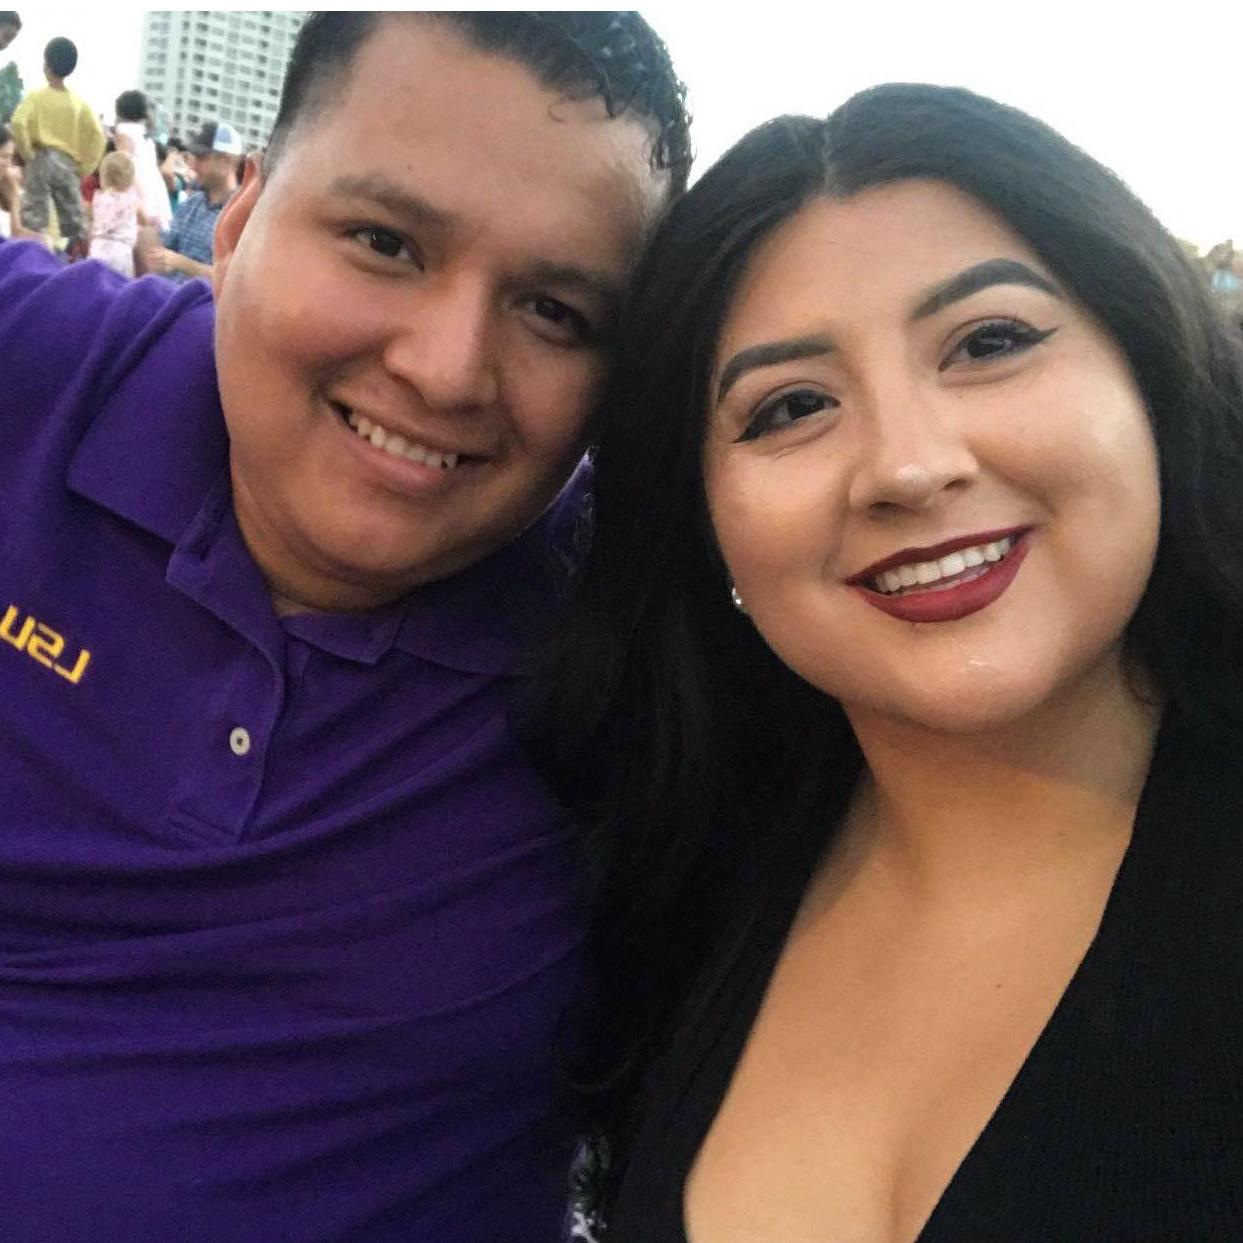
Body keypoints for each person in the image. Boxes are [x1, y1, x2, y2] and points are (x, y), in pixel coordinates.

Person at [0, 11, 688, 1243]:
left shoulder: (647, 658)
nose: (447, 367)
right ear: (244, 212)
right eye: (384, 241)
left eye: (555, 312)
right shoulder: (31, 374)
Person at [536, 84, 1243, 1241]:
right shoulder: (684, 882)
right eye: (790, 406)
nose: (907, 467)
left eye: (988, 342)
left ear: (1148, 371)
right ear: (701, 514)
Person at [9, 36, 104, 251]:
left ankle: (34, 254)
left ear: (45, 65)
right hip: (68, 163)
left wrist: (27, 153)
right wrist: (84, 167)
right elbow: (98, 136)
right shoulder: (79, 103)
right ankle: (74, 255)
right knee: (73, 218)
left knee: (35, 218)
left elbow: (18, 122)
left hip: (40, 157)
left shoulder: (36, 97)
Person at [143, 118, 242, 281]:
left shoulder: (243, 214)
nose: (193, 165)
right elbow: (166, 248)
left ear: (225, 161)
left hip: (203, 303)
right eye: (194, 157)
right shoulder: (192, 204)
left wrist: (181, 263)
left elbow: (232, 280)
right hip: (171, 295)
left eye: (202, 158)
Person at [112, 88, 172, 231]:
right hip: (143, 209)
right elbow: (125, 169)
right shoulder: (126, 135)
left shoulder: (139, 136)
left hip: (144, 206)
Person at [88, 149, 146, 276]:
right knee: (120, 285)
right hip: (121, 250)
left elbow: (93, 220)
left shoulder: (99, 198)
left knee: (95, 281)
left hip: (98, 246)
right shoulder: (131, 199)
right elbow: (145, 220)